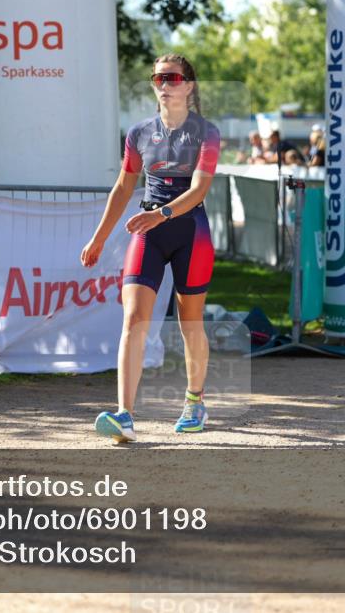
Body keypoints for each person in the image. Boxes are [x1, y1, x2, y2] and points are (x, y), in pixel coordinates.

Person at [81, 54, 219, 443]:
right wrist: (99, 236)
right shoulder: (139, 132)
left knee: (190, 322)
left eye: (173, 77)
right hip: (148, 230)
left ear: (189, 86)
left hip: (190, 229)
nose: (164, 83)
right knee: (133, 320)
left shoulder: (206, 132)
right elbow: (124, 187)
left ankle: (195, 401)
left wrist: (162, 214)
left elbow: (199, 190)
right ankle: (125, 415)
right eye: (158, 77)